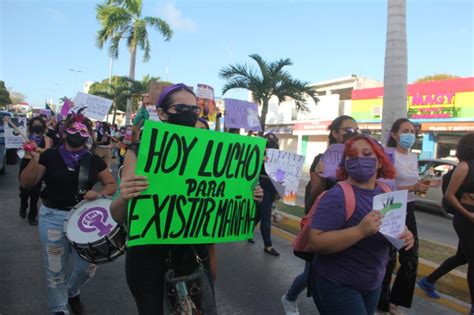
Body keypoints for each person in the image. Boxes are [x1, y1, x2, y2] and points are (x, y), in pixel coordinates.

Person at [110, 83, 264, 315]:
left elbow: (219, 212)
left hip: (191, 255)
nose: (190, 114)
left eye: (194, 110)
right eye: (181, 108)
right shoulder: (140, 152)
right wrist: (124, 198)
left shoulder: (211, 158)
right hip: (149, 257)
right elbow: (116, 214)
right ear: (162, 113)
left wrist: (248, 196)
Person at [19, 112, 117, 315]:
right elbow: (26, 183)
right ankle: (59, 309)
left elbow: (111, 184)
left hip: (83, 218)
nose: (77, 133)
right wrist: (34, 160)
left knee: (86, 267)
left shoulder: (94, 161)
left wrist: (98, 194)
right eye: (72, 128)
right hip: (53, 217)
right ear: (64, 132)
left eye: (82, 130)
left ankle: (72, 292)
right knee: (55, 270)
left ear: (88, 135)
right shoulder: (49, 156)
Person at [308, 135, 414, 315]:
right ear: (345, 163)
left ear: (380, 162)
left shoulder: (387, 191)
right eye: (351, 155)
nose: (359, 159)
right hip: (337, 284)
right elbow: (316, 242)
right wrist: (359, 231)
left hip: (372, 285)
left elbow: (393, 226)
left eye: (366, 154)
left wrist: (405, 233)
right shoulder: (337, 195)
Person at [281, 115, 359, 315]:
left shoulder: (358, 159)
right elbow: (313, 199)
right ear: (334, 133)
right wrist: (322, 178)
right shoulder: (321, 160)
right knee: (311, 274)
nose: (352, 135)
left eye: (356, 131)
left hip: (349, 223)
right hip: (324, 224)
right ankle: (289, 297)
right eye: (347, 130)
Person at [377, 118, 429, 315]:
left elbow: (412, 186)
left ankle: (396, 301)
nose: (410, 135)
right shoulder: (387, 155)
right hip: (390, 207)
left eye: (413, 131)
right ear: (395, 134)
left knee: (410, 256)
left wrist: (421, 186)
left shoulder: (413, 157)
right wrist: (412, 187)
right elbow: (384, 184)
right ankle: (382, 300)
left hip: (409, 207)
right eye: (405, 130)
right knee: (388, 256)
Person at [418, 133, 474, 314]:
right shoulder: (464, 167)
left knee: (462, 257)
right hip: (465, 217)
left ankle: (428, 281)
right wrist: (468, 214)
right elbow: (449, 195)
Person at [249, 132, 280, 256]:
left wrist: (279, 190)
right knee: (266, 215)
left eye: (273, 140)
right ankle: (268, 245)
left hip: (272, 187)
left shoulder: (280, 156)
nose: (271, 142)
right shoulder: (258, 154)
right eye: (268, 140)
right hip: (262, 186)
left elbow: (281, 174)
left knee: (260, 214)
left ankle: (247, 232)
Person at [19, 116, 52, 225]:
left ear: (43, 126)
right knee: (24, 190)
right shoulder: (26, 136)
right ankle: (23, 205)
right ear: (31, 125)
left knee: (35, 192)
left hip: (39, 165)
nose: (37, 126)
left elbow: (47, 151)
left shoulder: (46, 138)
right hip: (26, 162)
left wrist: (38, 149)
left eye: (39, 124)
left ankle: (32, 216)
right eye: (34, 124)